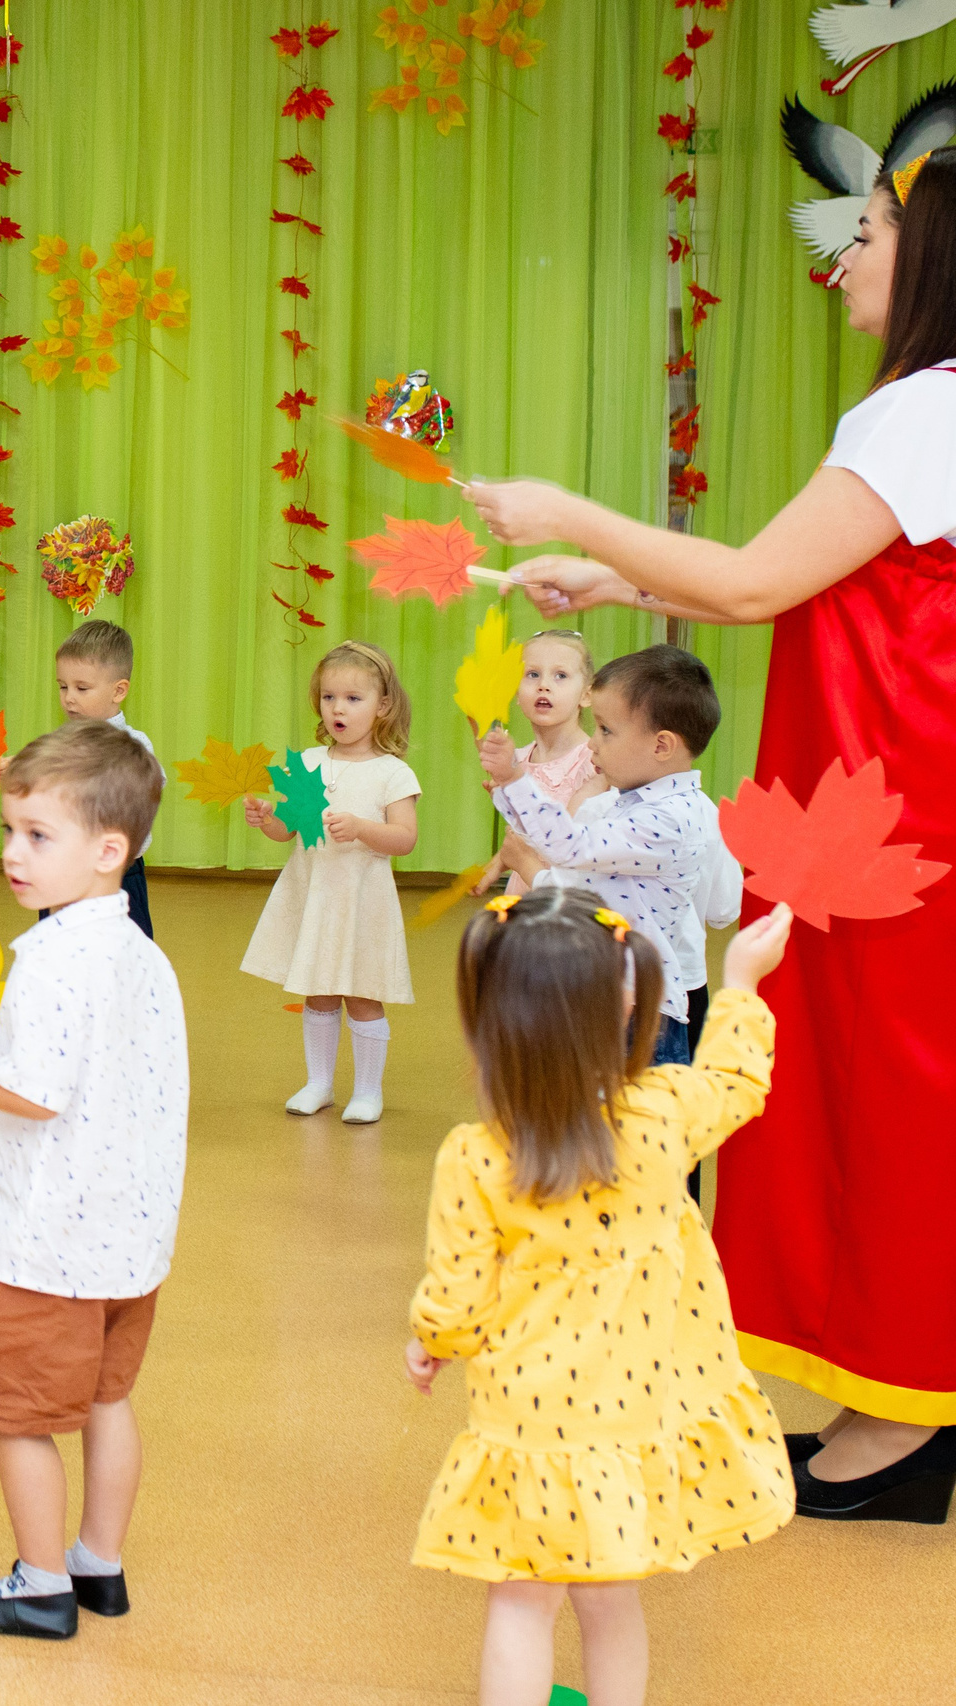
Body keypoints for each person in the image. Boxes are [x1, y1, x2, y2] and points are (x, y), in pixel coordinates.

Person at [471, 149, 956, 1515]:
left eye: (868, 232)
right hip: (894, 804)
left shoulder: (923, 407)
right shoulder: (933, 408)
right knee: (881, 1088)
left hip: (888, 813)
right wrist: (613, 577)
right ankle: (896, 1390)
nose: (843, 258)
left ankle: (906, 1410)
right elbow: (808, 580)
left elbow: (749, 584)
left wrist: (569, 511)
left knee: (884, 1091)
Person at [405, 888, 796, 1706]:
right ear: (624, 1006)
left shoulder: (477, 1157)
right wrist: (742, 982)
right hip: (633, 1416)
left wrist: (431, 1340)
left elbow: (459, 1299)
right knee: (611, 1597)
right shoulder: (663, 1116)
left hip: (526, 1422)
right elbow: (735, 1079)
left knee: (521, 1599)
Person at [0, 721, 186, 1640]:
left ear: (108, 851)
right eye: (10, 831)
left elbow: (33, 1091)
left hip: (47, 1247)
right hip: (130, 1243)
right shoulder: (142, 952)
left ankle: (41, 1584)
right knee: (107, 1400)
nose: (12, 854)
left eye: (38, 836)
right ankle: (100, 1563)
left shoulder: (53, 960)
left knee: (20, 1417)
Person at [476, 647, 721, 1068]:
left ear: (662, 745)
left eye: (606, 730)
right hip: (606, 993)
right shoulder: (632, 803)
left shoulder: (668, 818)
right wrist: (507, 787)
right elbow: (564, 857)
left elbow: (569, 848)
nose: (592, 742)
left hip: (639, 1014)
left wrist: (515, 779)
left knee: (635, 1110)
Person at [239, 641, 421, 1124]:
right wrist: (266, 818)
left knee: (362, 993)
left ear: (383, 706)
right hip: (314, 896)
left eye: (353, 698)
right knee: (317, 990)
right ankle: (319, 1083)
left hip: (362, 901)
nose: (338, 708)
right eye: (329, 697)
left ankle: (368, 1091)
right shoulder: (308, 762)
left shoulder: (393, 772)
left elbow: (404, 838)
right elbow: (287, 830)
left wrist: (361, 828)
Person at [472, 629, 605, 897]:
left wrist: (513, 786)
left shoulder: (595, 763)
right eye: (532, 674)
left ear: (586, 694)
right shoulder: (519, 759)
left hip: (564, 896)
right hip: (524, 890)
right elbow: (521, 835)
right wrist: (496, 864)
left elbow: (562, 842)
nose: (544, 685)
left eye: (561, 675)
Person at [51, 620, 158, 938]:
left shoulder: (134, 745)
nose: (69, 698)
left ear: (118, 691)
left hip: (116, 877)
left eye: (82, 688)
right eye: (63, 686)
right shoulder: (59, 743)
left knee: (122, 957)